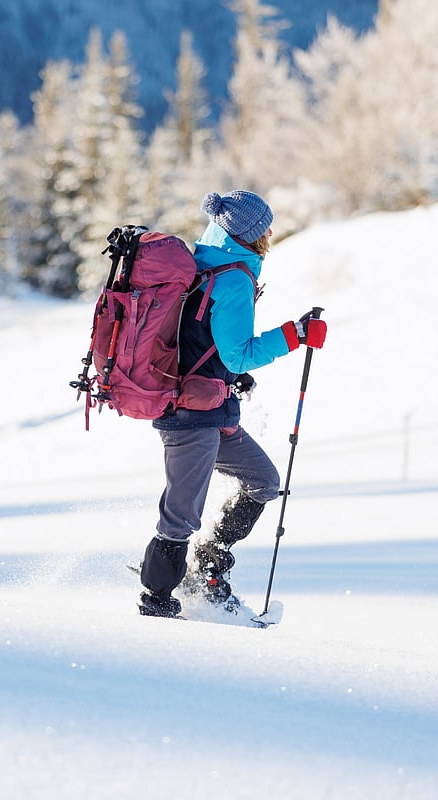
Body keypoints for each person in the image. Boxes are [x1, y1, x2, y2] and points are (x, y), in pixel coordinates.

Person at [137, 190, 327, 618]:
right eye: (265, 227)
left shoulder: (201, 260)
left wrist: (231, 377)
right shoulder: (235, 277)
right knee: (181, 514)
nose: (271, 233)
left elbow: (199, 337)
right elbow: (237, 352)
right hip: (192, 416)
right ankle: (157, 601)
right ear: (250, 234)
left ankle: (208, 565)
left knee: (262, 480)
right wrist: (293, 336)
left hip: (208, 407)